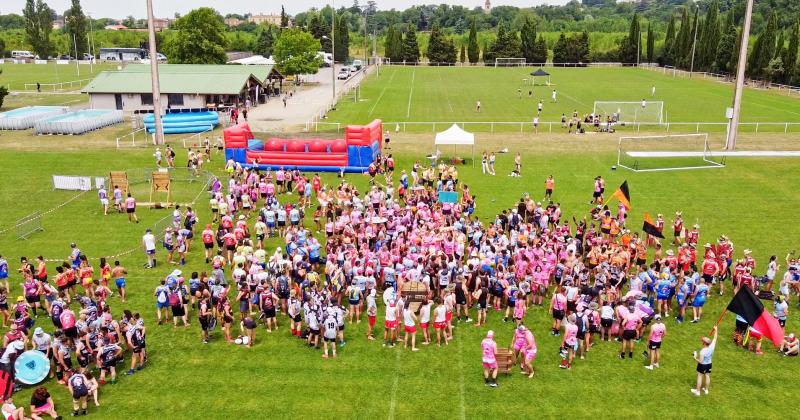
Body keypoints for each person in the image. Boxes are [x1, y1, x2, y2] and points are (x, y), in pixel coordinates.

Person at [692, 326, 718, 396]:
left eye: (702, 341)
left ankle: (697, 391)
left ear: (704, 343)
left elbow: (700, 361)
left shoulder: (702, 351)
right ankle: (706, 390)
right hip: (709, 364)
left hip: (702, 365)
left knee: (699, 376)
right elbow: (715, 338)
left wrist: (694, 358)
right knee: (707, 375)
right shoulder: (712, 347)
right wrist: (716, 330)